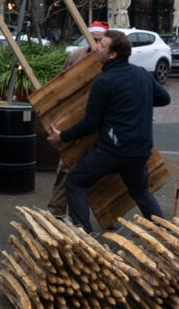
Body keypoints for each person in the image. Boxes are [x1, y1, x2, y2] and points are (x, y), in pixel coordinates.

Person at [46, 30, 171, 233]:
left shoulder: (104, 81)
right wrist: (140, 103)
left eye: (101, 45)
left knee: (75, 181)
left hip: (113, 152)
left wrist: (62, 136)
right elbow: (164, 98)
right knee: (140, 192)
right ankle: (165, 233)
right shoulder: (140, 73)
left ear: (112, 54)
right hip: (139, 152)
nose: (96, 47)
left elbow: (90, 124)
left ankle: (83, 234)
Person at [47, 22, 108, 218]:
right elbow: (62, 81)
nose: (97, 43)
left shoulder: (108, 57)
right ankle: (56, 210)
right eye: (94, 39)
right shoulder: (76, 56)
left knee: (101, 171)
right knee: (66, 165)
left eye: (100, 40)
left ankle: (107, 213)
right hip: (75, 119)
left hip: (99, 121)